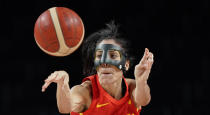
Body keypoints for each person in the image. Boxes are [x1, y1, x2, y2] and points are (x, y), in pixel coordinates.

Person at [41, 21, 154, 115]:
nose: (104, 62)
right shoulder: (85, 92)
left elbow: (144, 100)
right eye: (99, 56)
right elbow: (65, 108)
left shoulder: (133, 87)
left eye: (113, 55)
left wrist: (141, 80)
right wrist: (63, 85)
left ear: (126, 64)